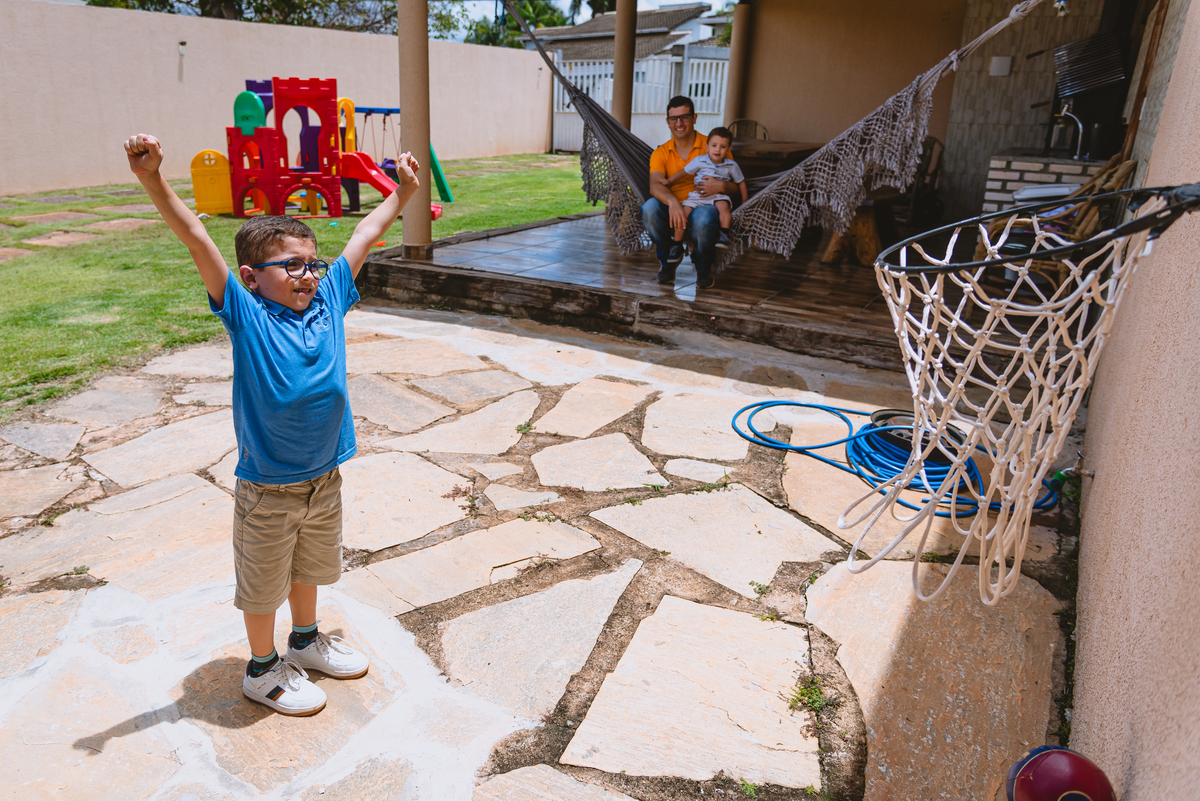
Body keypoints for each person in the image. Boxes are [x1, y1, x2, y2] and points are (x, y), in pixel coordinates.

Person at [123, 133, 420, 716]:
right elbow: (196, 236)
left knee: (310, 567)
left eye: (312, 263)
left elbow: (365, 234)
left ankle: (305, 641)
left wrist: (405, 191)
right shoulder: (246, 313)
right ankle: (261, 670)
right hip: (268, 486)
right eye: (291, 265)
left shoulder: (330, 300)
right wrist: (152, 179)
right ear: (251, 276)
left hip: (324, 475)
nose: (308, 275)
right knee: (263, 584)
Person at [642, 96, 742, 289]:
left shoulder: (715, 145)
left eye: (684, 117)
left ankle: (703, 267)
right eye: (673, 119)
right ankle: (668, 261)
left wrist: (721, 186)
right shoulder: (661, 152)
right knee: (649, 208)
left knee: (704, 218)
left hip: (706, 203)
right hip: (673, 207)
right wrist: (673, 202)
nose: (679, 123)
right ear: (668, 122)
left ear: (694, 117)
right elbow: (655, 185)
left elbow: (736, 188)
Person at [662, 126, 747, 251]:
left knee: (724, 207)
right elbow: (684, 172)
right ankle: (677, 244)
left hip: (719, 196)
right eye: (714, 145)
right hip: (698, 196)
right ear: (707, 147)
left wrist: (745, 202)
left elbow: (741, 183)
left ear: (729, 149)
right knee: (682, 215)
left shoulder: (732, 165)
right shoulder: (699, 161)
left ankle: (724, 235)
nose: (717, 149)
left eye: (723, 147)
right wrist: (669, 181)